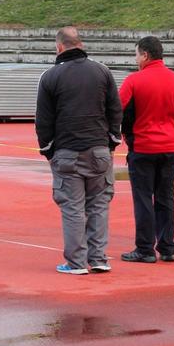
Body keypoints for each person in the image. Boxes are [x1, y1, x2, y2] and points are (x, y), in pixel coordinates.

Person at [35, 26, 123, 275]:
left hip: (67, 152)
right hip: (98, 150)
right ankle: (98, 258)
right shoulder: (102, 71)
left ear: (59, 47)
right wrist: (112, 142)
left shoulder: (50, 76)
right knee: (98, 206)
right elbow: (115, 109)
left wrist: (48, 151)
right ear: (80, 44)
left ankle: (75, 262)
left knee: (72, 208)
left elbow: (43, 120)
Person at [118, 35, 174, 264]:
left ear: (145, 55)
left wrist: (129, 136)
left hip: (142, 147)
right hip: (169, 147)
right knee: (165, 197)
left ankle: (145, 248)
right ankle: (167, 246)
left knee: (143, 198)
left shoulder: (134, 81)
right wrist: (173, 131)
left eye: (136, 54)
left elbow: (118, 111)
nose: (135, 59)